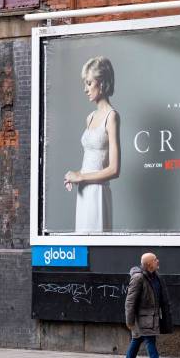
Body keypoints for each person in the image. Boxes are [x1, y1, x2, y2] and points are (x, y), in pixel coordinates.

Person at [64, 56, 120, 233]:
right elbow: (90, 162)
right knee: (82, 248)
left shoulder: (112, 117)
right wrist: (73, 175)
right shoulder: (89, 118)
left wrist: (81, 177)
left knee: (98, 249)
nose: (85, 89)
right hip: (83, 192)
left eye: (89, 83)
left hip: (98, 193)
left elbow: (114, 170)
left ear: (102, 83)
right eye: (85, 84)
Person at [122, 252, 173, 358]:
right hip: (142, 317)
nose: (158, 261)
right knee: (150, 339)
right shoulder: (138, 278)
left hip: (152, 316)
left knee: (137, 339)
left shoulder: (156, 276)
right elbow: (130, 301)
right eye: (155, 260)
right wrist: (129, 321)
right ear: (149, 264)